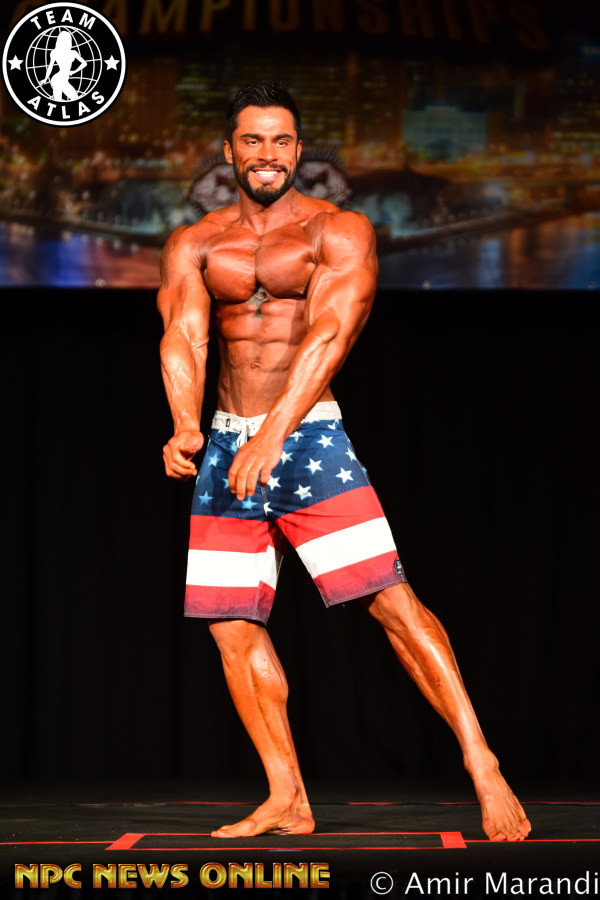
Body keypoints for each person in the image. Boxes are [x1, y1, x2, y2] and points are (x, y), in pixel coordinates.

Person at [157, 82, 531, 842]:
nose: (267, 154)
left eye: (281, 140)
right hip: (226, 442)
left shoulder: (337, 229)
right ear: (229, 151)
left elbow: (332, 333)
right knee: (230, 625)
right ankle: (287, 797)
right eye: (252, 140)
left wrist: (275, 432)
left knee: (389, 602)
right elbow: (185, 335)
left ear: (299, 150)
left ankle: (482, 762)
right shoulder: (195, 242)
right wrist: (184, 425)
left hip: (308, 440)